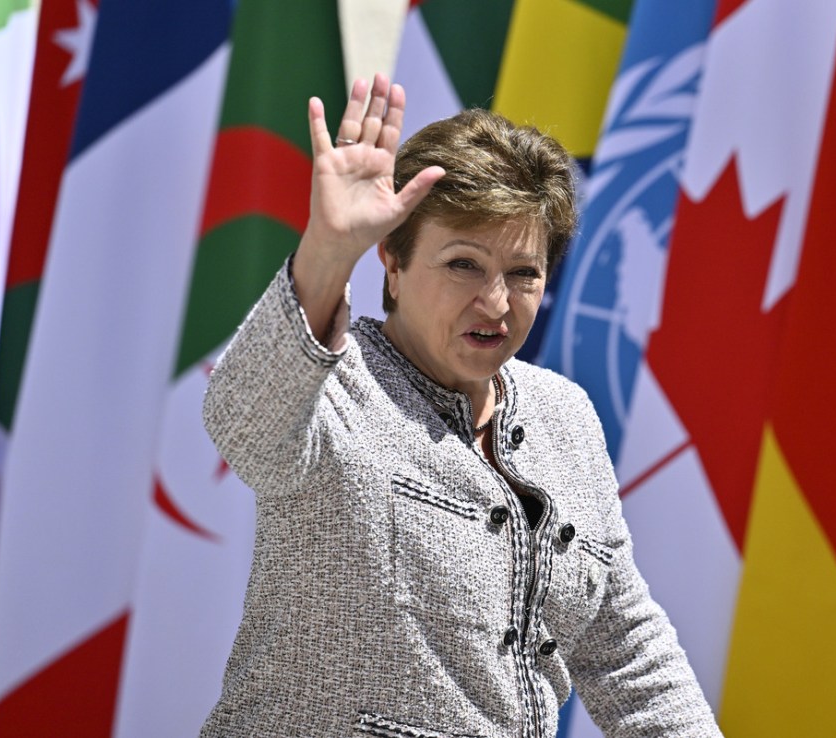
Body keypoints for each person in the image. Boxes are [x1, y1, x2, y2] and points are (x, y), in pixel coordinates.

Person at [200, 73, 723, 738]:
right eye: (463, 265)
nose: (497, 303)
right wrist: (326, 255)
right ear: (392, 262)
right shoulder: (332, 384)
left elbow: (624, 650)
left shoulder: (565, 416)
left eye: (524, 274)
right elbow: (240, 419)